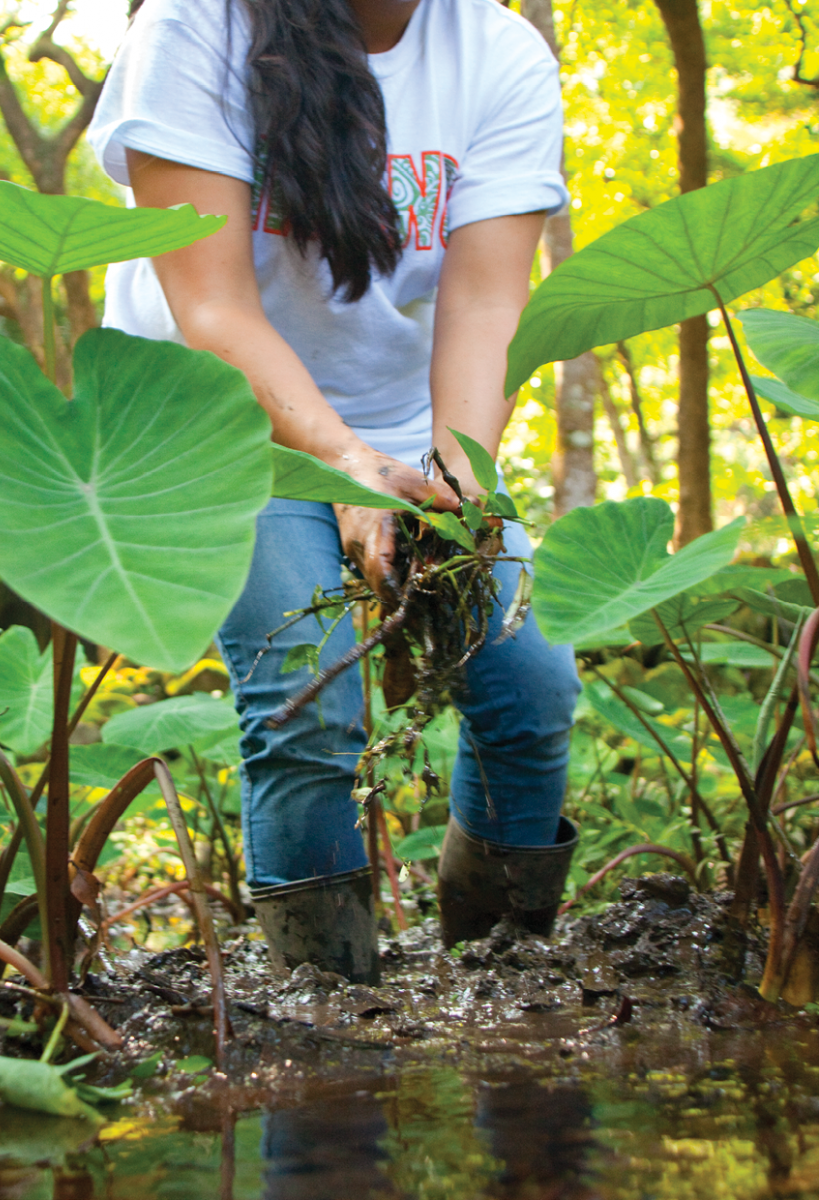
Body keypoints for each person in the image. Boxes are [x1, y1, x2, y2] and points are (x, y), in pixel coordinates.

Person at [88, 0, 581, 983]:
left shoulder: (499, 52)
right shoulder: (194, 30)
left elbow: (486, 300)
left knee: (529, 682)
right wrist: (339, 461)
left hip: (410, 433)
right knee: (306, 697)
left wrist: (455, 475)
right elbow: (210, 305)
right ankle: (327, 1018)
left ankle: (501, 993)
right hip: (213, 422)